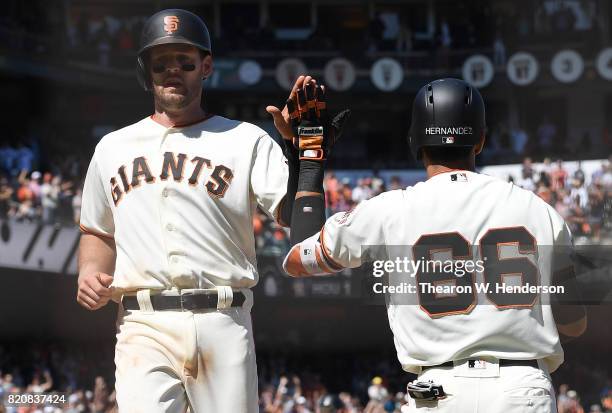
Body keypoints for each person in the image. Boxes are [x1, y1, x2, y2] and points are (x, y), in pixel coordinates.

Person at [76, 8, 347, 413]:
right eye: (161, 63)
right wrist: (87, 271)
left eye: (186, 63)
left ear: (206, 67)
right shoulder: (112, 147)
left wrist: (306, 158)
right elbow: (98, 229)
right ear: (145, 71)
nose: (173, 72)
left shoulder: (245, 139)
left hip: (224, 318)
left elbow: (300, 223)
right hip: (142, 324)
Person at [283, 78, 586, 412]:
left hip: (439, 391)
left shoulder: (388, 210)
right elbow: (573, 321)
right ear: (481, 140)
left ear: (414, 141)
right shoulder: (540, 210)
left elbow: (299, 257)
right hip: (521, 389)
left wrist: (310, 155)